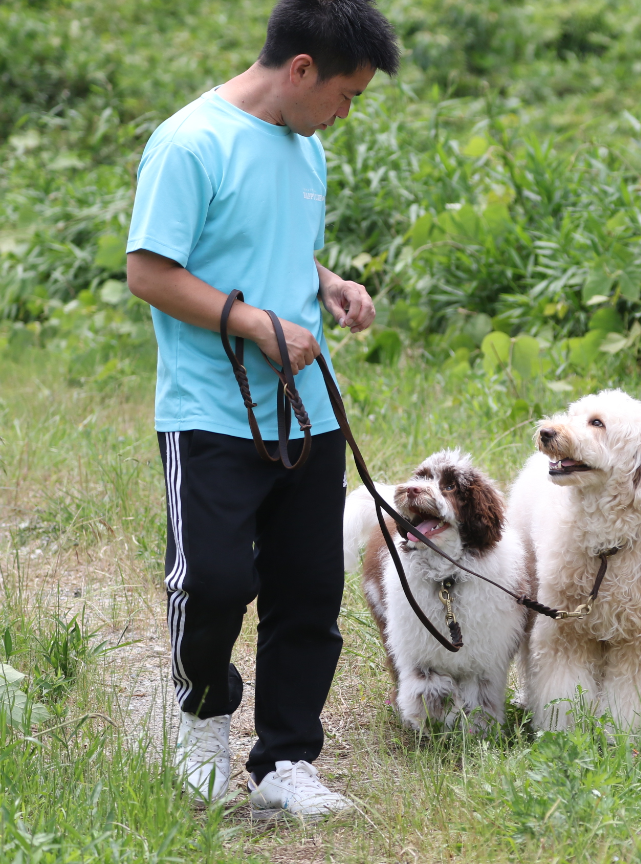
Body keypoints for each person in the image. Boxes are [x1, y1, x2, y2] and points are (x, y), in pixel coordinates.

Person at [125, 0, 397, 819]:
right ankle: (201, 727)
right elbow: (150, 271)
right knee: (212, 583)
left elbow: (267, 242)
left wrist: (328, 283)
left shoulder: (304, 146)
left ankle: (285, 760)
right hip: (211, 411)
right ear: (302, 69)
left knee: (309, 592)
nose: (345, 113)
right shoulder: (190, 143)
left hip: (308, 413)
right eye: (346, 95)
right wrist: (251, 323)